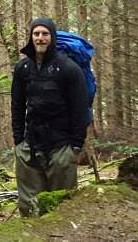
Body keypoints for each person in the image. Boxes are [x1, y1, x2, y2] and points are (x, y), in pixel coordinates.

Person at [11, 17, 89, 217]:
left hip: (61, 147)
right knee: (29, 207)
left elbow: (80, 108)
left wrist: (76, 145)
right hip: (29, 147)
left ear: (52, 37)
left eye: (45, 34)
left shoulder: (69, 69)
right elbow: (17, 105)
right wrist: (18, 141)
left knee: (63, 206)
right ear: (31, 37)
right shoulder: (23, 68)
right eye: (36, 34)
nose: (40, 38)